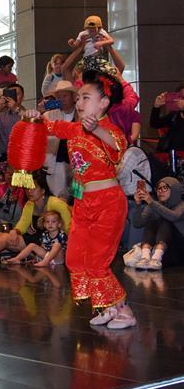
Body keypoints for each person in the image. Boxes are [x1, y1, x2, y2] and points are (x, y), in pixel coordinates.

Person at [25, 70, 136, 329]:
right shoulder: (74, 129)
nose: (79, 103)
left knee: (97, 262)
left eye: (86, 97)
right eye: (78, 99)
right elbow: (48, 125)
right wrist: (33, 116)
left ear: (104, 102)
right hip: (83, 202)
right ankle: (106, 307)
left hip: (108, 202)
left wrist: (97, 128)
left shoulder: (110, 130)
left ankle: (124, 310)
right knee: (75, 258)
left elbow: (118, 148)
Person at [129, 177, 184, 269]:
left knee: (165, 220)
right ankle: (145, 257)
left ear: (174, 189)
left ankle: (156, 257)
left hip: (178, 250)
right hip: (163, 254)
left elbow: (174, 217)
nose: (161, 191)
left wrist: (151, 202)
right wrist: (138, 205)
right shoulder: (153, 205)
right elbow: (138, 224)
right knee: (152, 221)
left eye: (165, 188)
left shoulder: (181, 205)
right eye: (159, 188)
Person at [43, 81, 77, 199]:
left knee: (77, 197)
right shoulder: (48, 115)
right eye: (59, 96)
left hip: (78, 165)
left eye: (65, 96)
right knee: (58, 198)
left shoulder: (81, 114)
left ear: (73, 97)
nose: (62, 99)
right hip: (56, 162)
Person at [0, 83, 25, 160]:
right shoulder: (1, 115)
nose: (14, 97)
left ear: (23, 97)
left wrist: (15, 109)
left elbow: (30, 122)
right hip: (5, 155)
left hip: (24, 154)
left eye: (17, 94)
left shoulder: (28, 113)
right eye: (11, 94)